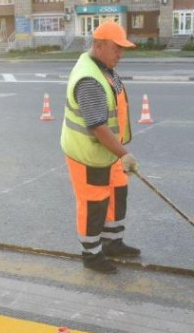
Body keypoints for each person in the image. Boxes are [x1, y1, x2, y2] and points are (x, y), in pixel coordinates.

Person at [60, 22, 140, 274]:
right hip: (89, 154)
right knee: (94, 203)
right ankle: (92, 254)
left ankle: (112, 242)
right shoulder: (89, 79)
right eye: (116, 49)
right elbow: (98, 126)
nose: (121, 54)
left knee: (117, 192)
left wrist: (119, 152)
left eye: (122, 49)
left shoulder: (103, 67)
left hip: (108, 152)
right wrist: (124, 153)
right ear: (99, 45)